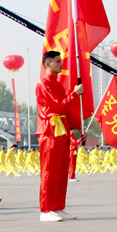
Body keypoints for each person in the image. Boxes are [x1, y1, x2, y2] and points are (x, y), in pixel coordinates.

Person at [36, 50, 85, 222]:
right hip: (50, 131)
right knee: (50, 171)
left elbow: (66, 110)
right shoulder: (43, 84)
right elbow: (57, 107)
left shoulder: (58, 85)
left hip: (62, 130)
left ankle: (58, 207)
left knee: (62, 172)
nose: (61, 63)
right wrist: (74, 94)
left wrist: (80, 126)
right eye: (57, 61)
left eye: (61, 60)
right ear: (47, 64)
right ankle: (46, 210)